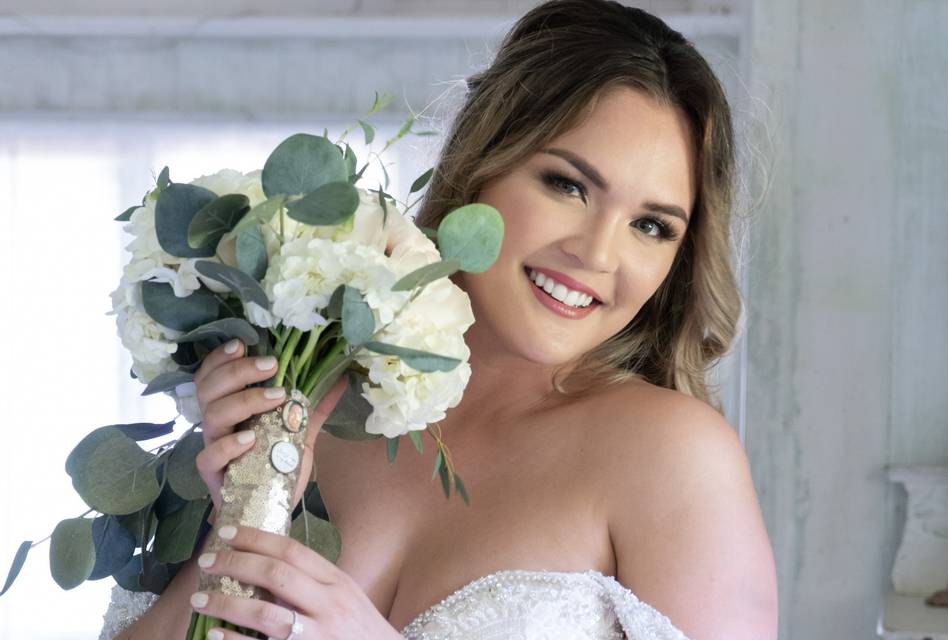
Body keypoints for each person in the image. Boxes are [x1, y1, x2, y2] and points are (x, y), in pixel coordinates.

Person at [100, 0, 779, 638]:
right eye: (567, 185)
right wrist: (246, 507)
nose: (598, 254)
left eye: (652, 226)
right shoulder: (311, 395)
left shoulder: (672, 455)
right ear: (481, 164)